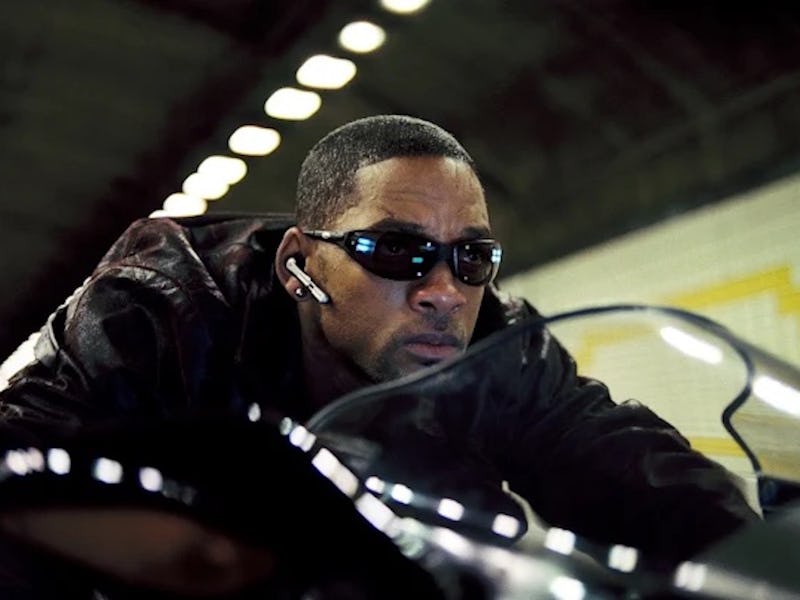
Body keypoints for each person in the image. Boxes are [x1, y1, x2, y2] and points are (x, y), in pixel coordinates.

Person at [0, 115, 758, 596]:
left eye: (472, 257)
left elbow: (624, 462)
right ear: (299, 264)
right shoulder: (160, 310)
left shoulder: (501, 348)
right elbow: (23, 481)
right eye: (397, 250)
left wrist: (758, 559)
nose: (444, 292)